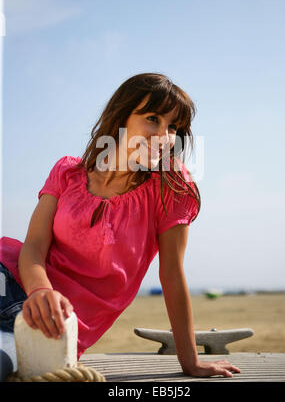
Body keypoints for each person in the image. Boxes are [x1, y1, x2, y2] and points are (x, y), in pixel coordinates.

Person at [0, 72, 241, 381]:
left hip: (53, 323)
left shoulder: (172, 187)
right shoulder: (68, 172)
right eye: (153, 118)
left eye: (174, 127)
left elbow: (171, 275)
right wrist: (41, 291)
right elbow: (33, 246)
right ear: (121, 116)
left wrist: (189, 362)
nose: (165, 136)